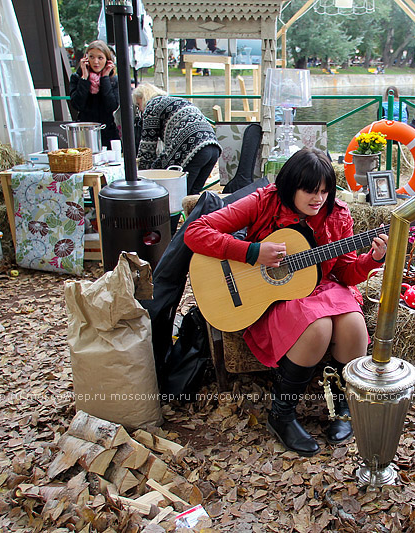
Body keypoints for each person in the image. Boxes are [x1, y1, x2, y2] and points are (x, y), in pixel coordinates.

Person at [183, 148, 388, 456]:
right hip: (273, 295)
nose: (318, 199)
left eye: (324, 191)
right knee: (317, 328)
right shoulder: (263, 202)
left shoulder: (338, 214)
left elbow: (345, 273)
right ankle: (282, 414)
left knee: (354, 327)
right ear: (290, 185)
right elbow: (195, 232)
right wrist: (252, 252)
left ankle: (341, 407)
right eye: (309, 190)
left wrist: (371, 260)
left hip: (323, 288)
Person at [132, 83, 222, 231]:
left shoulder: (152, 106)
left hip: (191, 147)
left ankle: (169, 238)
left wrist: (142, 176)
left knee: (174, 199)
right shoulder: (175, 101)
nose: (139, 109)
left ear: (143, 98)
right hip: (212, 147)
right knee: (193, 199)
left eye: (138, 104)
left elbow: (147, 145)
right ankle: (198, 234)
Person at [69, 40, 120, 146]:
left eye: (100, 58)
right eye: (92, 57)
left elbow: (112, 106)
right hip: (84, 132)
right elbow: (77, 105)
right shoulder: (77, 78)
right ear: (86, 58)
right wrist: (84, 78)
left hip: (107, 131)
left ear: (107, 60)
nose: (95, 62)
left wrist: (105, 78)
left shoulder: (112, 80)